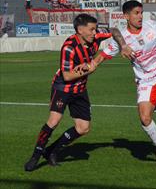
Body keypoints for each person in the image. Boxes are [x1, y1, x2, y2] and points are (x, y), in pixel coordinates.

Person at [85, 0, 156, 168]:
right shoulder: (122, 38)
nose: (140, 16)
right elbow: (102, 55)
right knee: (145, 118)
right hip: (145, 79)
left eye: (141, 12)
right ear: (126, 16)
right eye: (136, 13)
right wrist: (90, 67)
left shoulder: (154, 26)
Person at [24, 14, 133, 172]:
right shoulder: (69, 47)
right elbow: (67, 75)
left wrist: (123, 45)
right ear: (80, 30)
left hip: (80, 89)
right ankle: (36, 155)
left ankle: (51, 151)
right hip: (63, 88)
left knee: (83, 128)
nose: (94, 33)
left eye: (95, 29)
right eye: (91, 29)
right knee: (54, 121)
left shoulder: (95, 36)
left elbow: (115, 30)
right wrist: (89, 68)